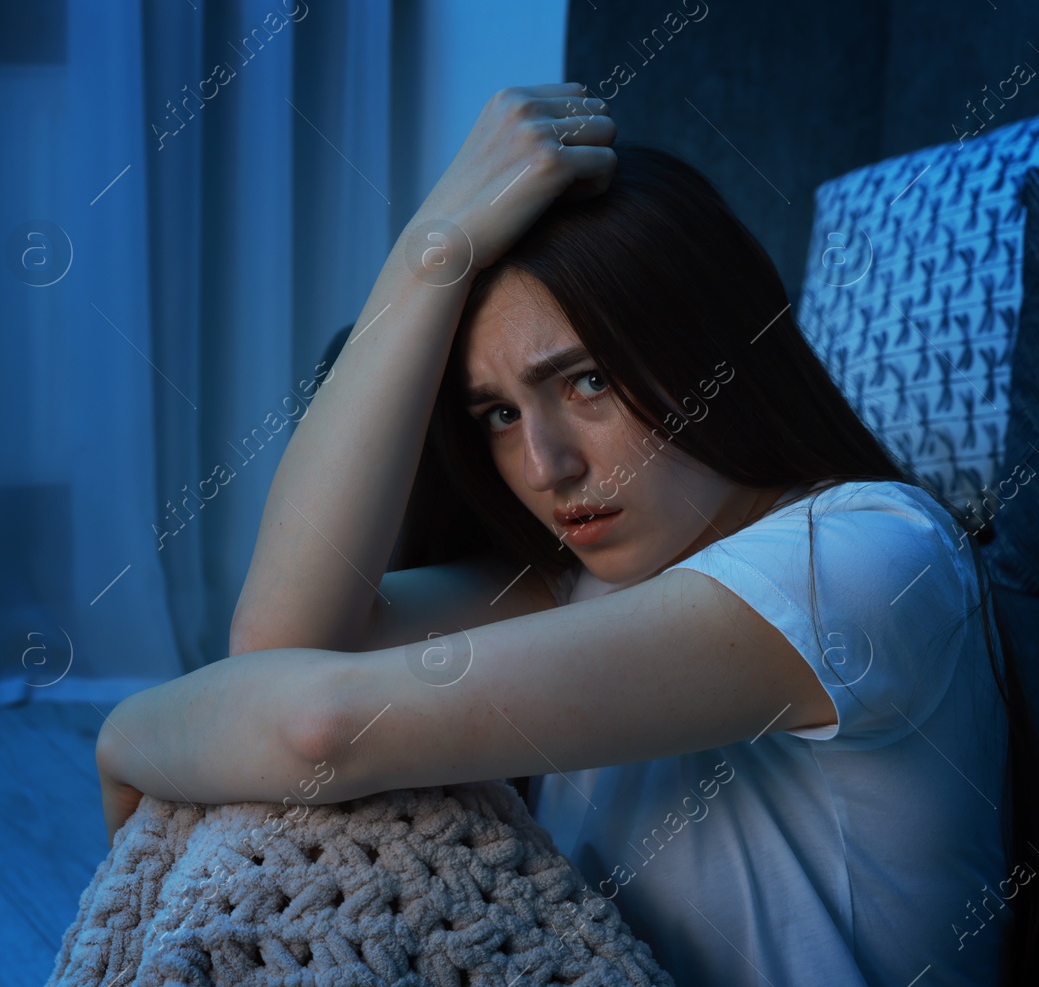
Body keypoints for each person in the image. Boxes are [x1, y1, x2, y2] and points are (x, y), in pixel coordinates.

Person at [94, 83, 1038, 985]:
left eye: (585, 381)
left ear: (709, 352)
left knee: (280, 812)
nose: (546, 466)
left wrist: (125, 731)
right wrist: (430, 255)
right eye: (498, 415)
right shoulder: (582, 576)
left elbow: (317, 723)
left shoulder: (865, 556)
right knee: (263, 813)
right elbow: (286, 651)